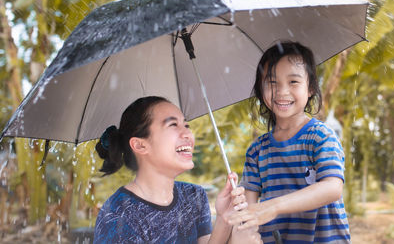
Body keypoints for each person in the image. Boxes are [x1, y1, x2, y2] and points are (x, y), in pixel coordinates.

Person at [93, 96, 261, 244]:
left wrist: (225, 218)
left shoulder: (193, 196)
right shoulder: (118, 216)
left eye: (186, 124)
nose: (188, 133)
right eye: (173, 125)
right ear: (140, 145)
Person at [228, 41, 351, 243]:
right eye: (272, 82)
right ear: (261, 88)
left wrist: (273, 206)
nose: (282, 91)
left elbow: (332, 188)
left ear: (310, 88)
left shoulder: (320, 136)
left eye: (293, 82)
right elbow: (249, 210)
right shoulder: (257, 151)